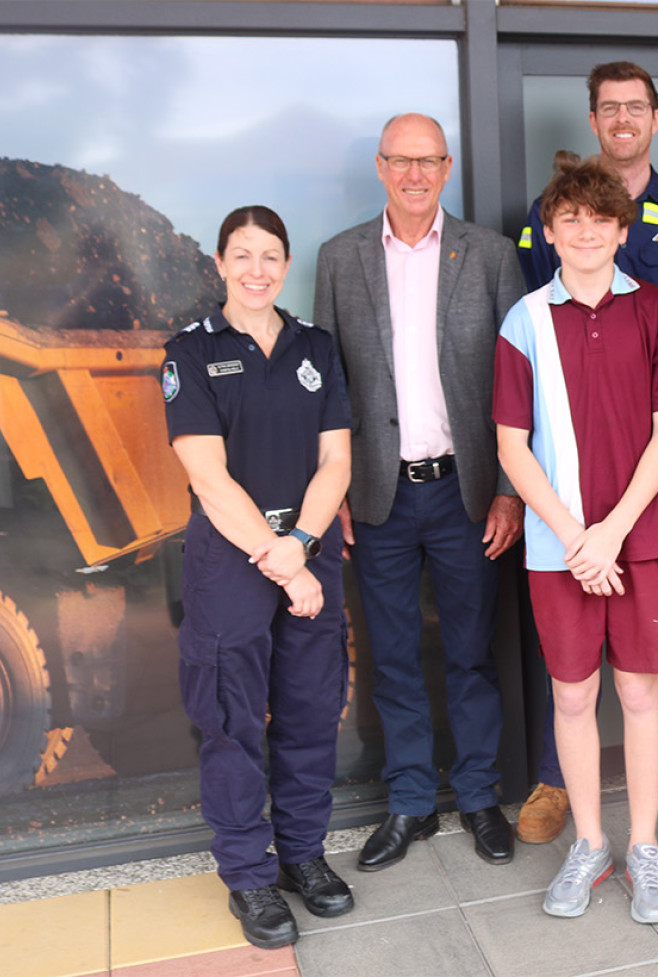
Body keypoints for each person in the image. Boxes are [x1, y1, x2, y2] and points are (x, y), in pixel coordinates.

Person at [516, 61, 658, 842]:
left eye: (633, 108)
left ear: (655, 117)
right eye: (607, 108)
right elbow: (533, 326)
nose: (621, 120)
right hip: (567, 458)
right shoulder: (547, 215)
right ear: (592, 119)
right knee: (564, 623)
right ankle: (554, 778)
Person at [314, 113, 525, 872]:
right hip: (379, 494)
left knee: (471, 653)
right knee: (395, 654)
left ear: (446, 167)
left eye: (427, 161)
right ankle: (409, 802)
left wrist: (509, 490)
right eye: (400, 161)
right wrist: (332, 484)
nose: (414, 175)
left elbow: (517, 384)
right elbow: (330, 386)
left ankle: (476, 795)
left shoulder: (492, 255)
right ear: (380, 167)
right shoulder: (339, 259)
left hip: (466, 493)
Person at [495, 155, 658, 924]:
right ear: (548, 231)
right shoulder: (524, 320)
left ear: (621, 228)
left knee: (641, 692)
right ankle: (590, 843)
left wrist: (612, 532)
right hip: (558, 548)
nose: (584, 230)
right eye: (568, 218)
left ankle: (643, 845)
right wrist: (579, 537)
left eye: (599, 219)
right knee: (573, 696)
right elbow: (513, 446)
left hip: (639, 539)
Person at [163, 205, 353, 948]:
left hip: (306, 554)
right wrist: (282, 559)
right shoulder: (190, 353)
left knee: (310, 712)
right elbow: (208, 477)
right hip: (234, 562)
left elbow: (336, 458)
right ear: (219, 264)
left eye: (269, 255)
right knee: (232, 722)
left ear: (286, 261)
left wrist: (302, 543)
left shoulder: (316, 347)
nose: (256, 270)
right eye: (241, 255)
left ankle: (303, 854)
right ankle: (249, 873)